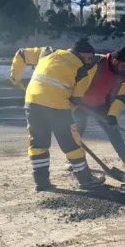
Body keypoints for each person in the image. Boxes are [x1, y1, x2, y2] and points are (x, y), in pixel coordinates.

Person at [10, 38, 105, 192]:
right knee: (72, 144)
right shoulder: (82, 71)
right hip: (58, 107)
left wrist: (15, 76)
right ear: (81, 54)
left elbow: (21, 54)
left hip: (32, 103)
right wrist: (67, 118)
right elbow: (75, 100)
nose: (89, 62)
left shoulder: (47, 52)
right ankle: (85, 179)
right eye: (88, 58)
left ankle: (41, 182)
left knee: (38, 144)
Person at [70, 46, 125, 171]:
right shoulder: (94, 61)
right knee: (77, 132)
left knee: (114, 133)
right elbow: (73, 74)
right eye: (123, 65)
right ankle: (74, 162)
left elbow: (119, 97)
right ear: (114, 61)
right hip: (81, 103)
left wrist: (112, 115)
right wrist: (73, 96)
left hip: (101, 106)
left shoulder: (123, 76)